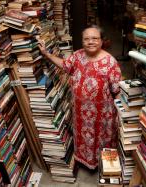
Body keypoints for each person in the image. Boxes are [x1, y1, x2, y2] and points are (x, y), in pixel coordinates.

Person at [39, 25, 122, 170]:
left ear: (102, 41)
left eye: (95, 38)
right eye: (87, 39)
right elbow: (65, 65)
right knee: (84, 139)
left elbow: (117, 90)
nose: (91, 42)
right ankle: (86, 163)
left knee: (105, 142)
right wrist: (46, 54)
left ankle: (109, 171)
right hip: (81, 115)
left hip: (103, 116)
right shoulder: (77, 56)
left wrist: (121, 115)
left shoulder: (110, 63)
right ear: (82, 41)